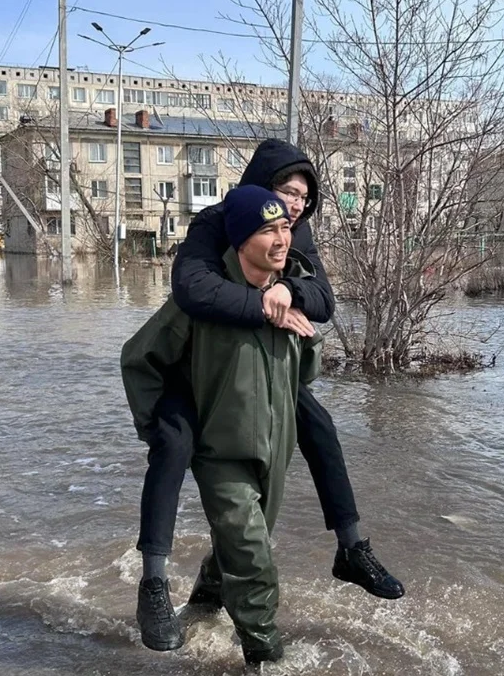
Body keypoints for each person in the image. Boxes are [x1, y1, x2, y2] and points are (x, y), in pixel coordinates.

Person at [131, 139, 404, 650]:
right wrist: (263, 305)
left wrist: (289, 291)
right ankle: (153, 584)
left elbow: (322, 299)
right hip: (193, 375)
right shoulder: (217, 222)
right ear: (258, 188)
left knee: (314, 429)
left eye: (302, 199)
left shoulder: (294, 233)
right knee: (173, 447)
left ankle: (347, 547)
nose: (294, 210)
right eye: (285, 192)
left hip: (252, 377)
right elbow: (192, 290)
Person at [121, 186, 322, 665]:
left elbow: (305, 372)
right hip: (221, 453)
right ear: (239, 240)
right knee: (253, 556)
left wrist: (302, 333)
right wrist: (161, 431)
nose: (281, 240)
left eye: (286, 228)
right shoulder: (204, 303)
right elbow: (139, 358)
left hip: (275, 451)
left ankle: (203, 607)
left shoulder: (290, 292)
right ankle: (263, 653)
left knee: (243, 542)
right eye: (268, 230)